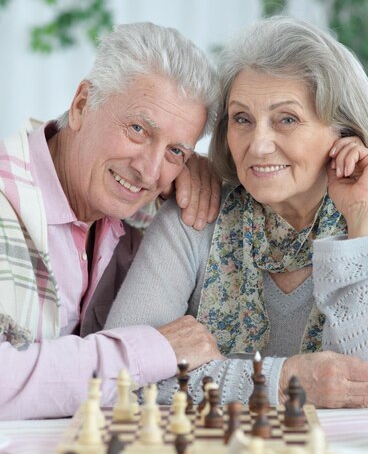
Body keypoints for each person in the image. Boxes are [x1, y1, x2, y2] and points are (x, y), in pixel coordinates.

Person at [107, 16, 368, 409]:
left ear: (344, 133)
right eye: (242, 119)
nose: (259, 145)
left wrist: (360, 222)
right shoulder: (195, 219)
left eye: (286, 119)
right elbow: (121, 376)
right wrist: (281, 381)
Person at [0, 22, 225, 419]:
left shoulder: (148, 211)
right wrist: (152, 349)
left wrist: (200, 171)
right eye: (138, 129)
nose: (149, 170)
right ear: (82, 104)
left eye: (175, 151)